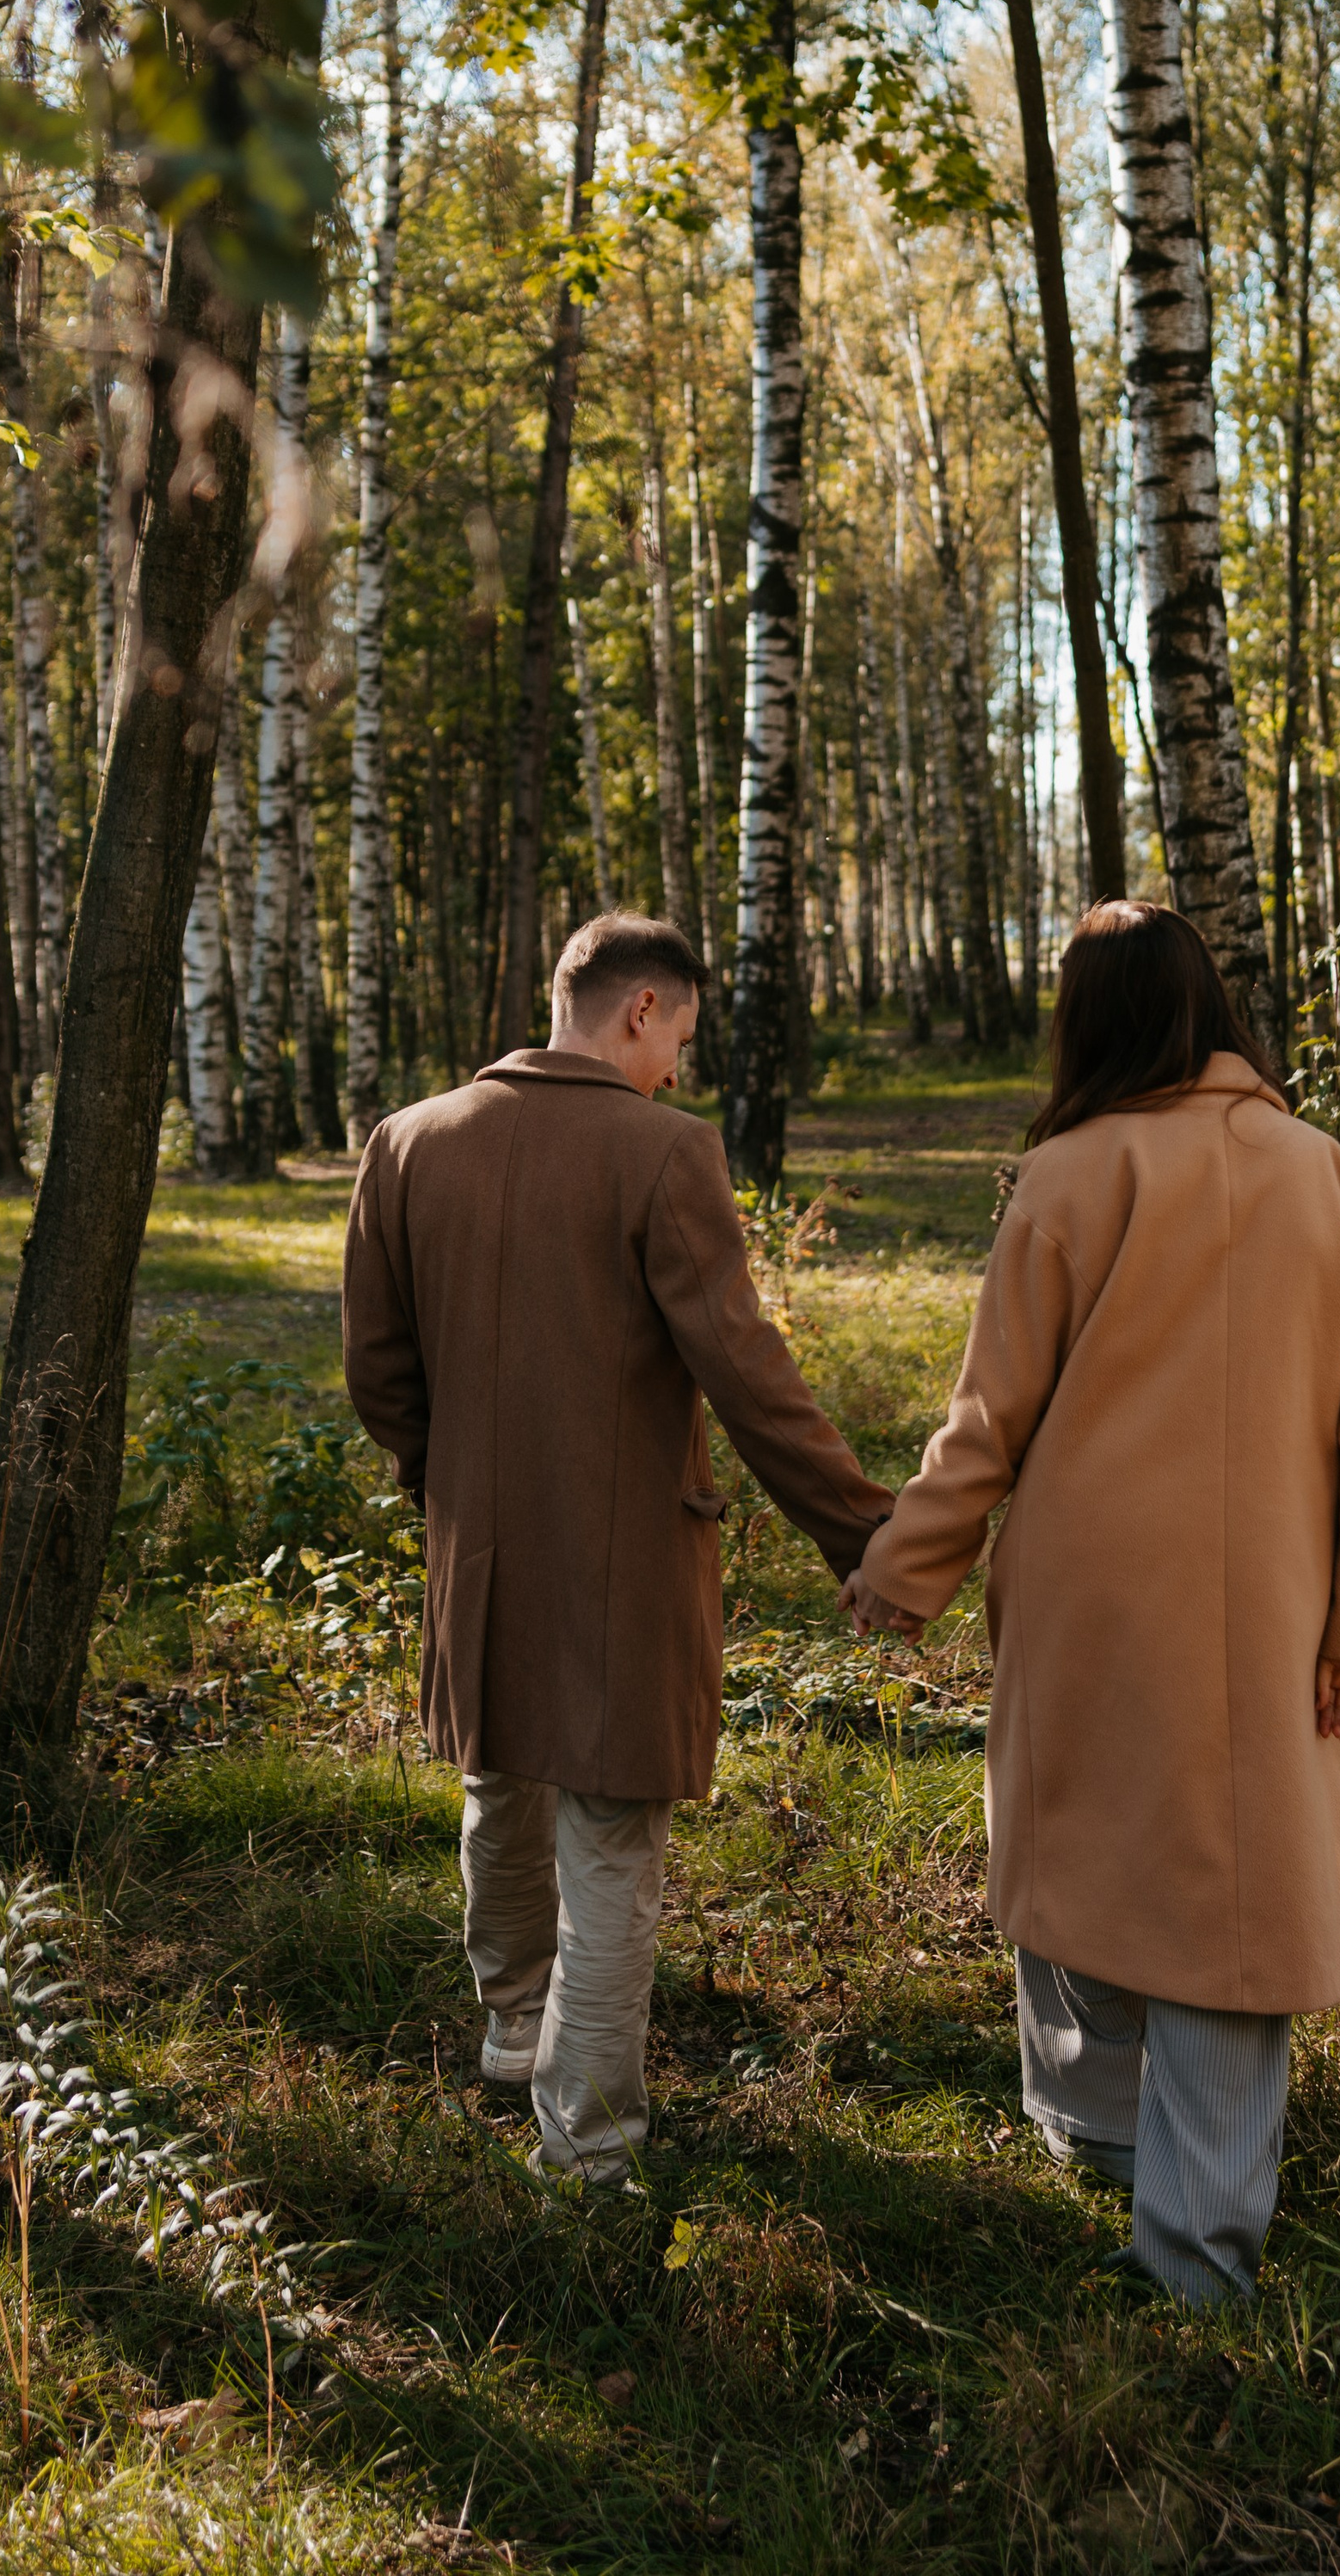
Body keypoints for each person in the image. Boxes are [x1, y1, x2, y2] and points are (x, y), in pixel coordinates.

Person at [839, 899, 1340, 2308]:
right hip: (1273, 1607)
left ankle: (1099, 2141)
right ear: (1208, 1007)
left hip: (1092, 1601)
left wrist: (906, 1567)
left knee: (1081, 1854)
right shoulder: (1322, 1173)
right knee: (1229, 1909)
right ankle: (1194, 2246)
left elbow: (988, 1418)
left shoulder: (1065, 1177)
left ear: (1084, 1025)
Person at [342, 909, 892, 2186]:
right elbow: (745, 1374)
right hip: (623, 1560)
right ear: (640, 1008)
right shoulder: (664, 1154)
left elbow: (378, 1367)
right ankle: (586, 2147)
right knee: (612, 1841)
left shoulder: (408, 1142)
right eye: (680, 1039)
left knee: (501, 1792)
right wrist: (862, 1527)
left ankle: (513, 2031)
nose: (677, 1070)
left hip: (475, 1545)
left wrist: (449, 1478)